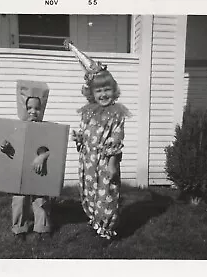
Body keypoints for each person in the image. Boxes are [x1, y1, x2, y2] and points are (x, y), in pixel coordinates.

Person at [72, 69, 130, 240]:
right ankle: (95, 219)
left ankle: (106, 225)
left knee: (106, 193)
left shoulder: (116, 114)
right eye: (99, 91)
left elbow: (116, 139)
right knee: (89, 190)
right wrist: (79, 138)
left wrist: (112, 164)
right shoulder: (88, 112)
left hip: (105, 161)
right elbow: (85, 134)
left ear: (114, 90)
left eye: (107, 89)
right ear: (92, 93)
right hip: (88, 160)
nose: (103, 94)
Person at [11, 96, 52, 241]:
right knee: (20, 199)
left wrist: (43, 156)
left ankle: (42, 228)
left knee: (40, 199)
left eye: (37, 108)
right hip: (22, 172)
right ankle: (19, 228)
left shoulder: (46, 129)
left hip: (39, 170)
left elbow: (52, 148)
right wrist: (7, 147)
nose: (33, 111)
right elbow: (13, 147)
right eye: (29, 108)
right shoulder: (17, 128)